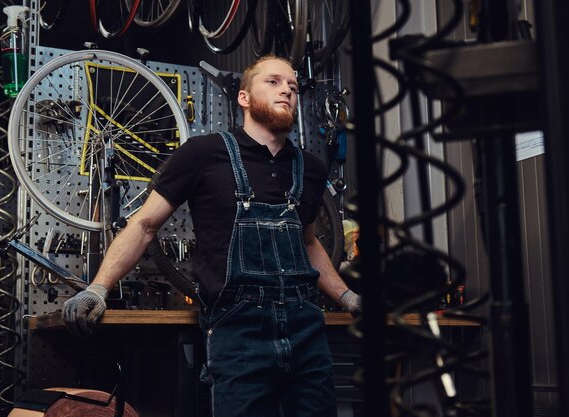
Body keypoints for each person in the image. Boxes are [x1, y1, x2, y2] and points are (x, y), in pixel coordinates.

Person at [63, 55, 361, 417]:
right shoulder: (203, 154)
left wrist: (348, 298)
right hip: (238, 333)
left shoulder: (310, 169)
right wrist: (99, 287)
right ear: (244, 97)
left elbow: (309, 242)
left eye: (293, 87)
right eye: (274, 82)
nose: (287, 90)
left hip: (305, 331)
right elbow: (144, 226)